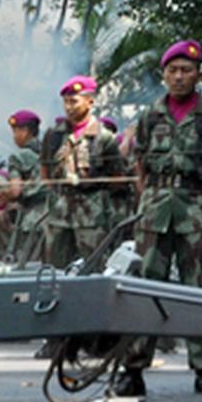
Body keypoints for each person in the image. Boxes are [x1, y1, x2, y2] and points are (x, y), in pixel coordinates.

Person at [120, 40, 202, 398]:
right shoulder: (149, 115)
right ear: (163, 75)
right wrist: (149, 197)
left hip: (195, 209)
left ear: (198, 75)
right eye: (173, 70)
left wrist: (201, 197)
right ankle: (133, 370)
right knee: (144, 288)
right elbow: (139, 164)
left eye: (186, 70)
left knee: (197, 289)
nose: (179, 76)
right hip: (154, 208)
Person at [40, 76, 126, 269]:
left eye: (74, 101)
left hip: (92, 215)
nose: (69, 107)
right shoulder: (53, 135)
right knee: (54, 269)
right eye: (66, 102)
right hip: (58, 214)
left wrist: (91, 184)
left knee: (94, 267)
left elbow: (118, 178)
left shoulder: (104, 138)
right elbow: (45, 170)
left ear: (90, 101)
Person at [6, 109, 49, 264]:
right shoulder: (49, 153)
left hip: (31, 220)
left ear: (25, 131)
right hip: (52, 218)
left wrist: (2, 194)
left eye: (15, 131)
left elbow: (15, 191)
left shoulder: (18, 157)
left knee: (25, 266)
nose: (14, 136)